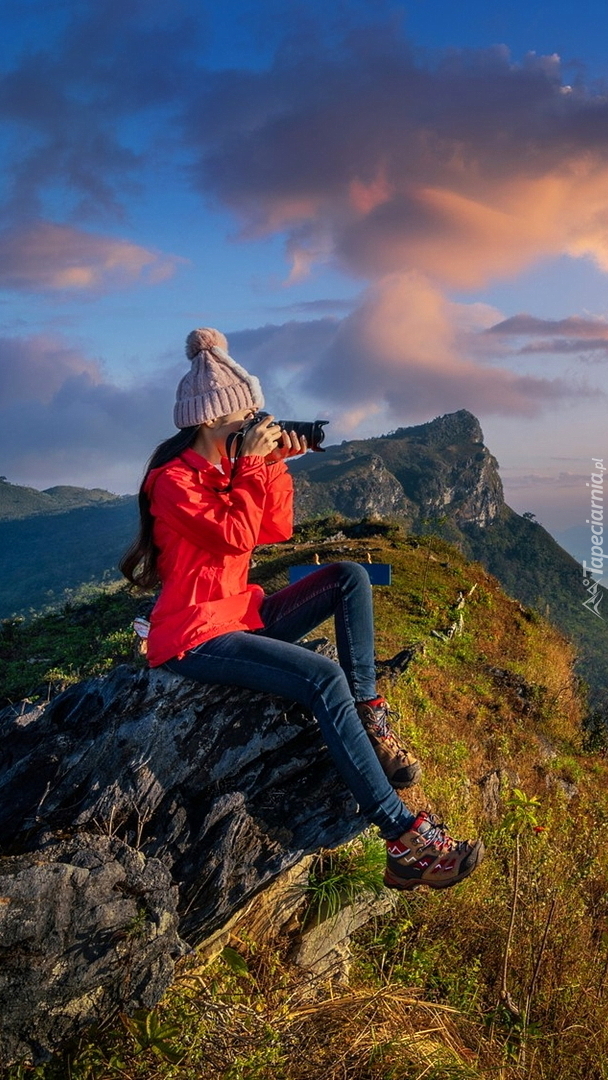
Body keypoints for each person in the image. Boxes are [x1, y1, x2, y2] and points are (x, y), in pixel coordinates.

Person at [120, 328, 484, 891]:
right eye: (246, 420)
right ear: (212, 422)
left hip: (240, 613)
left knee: (348, 577)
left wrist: (270, 465)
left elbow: (275, 528)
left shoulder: (225, 470)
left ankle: (368, 716)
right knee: (321, 676)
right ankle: (404, 838)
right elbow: (233, 536)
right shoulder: (172, 481)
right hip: (193, 633)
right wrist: (248, 468)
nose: (254, 427)